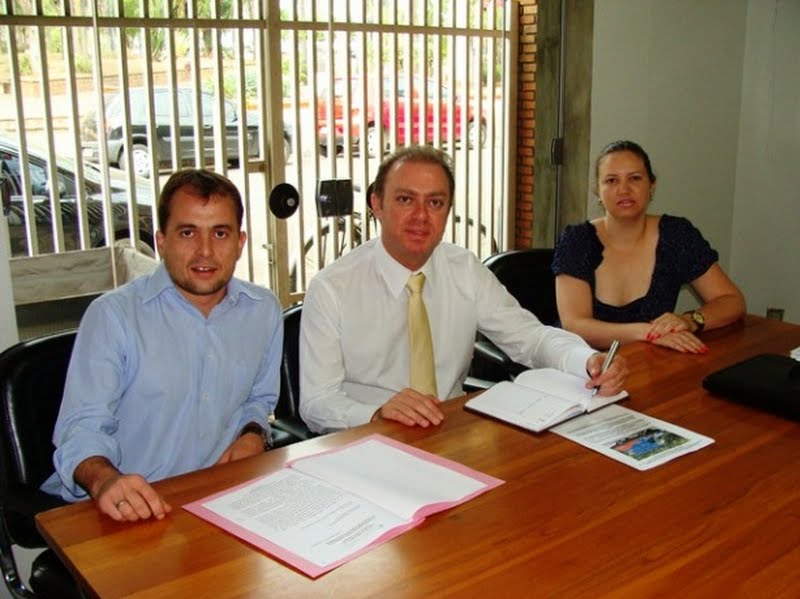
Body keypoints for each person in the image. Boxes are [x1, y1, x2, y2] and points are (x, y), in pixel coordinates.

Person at [299, 145, 627, 434]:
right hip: (367, 441)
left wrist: (586, 360)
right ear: (377, 204)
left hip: (449, 431)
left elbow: (531, 338)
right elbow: (316, 402)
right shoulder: (332, 288)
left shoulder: (464, 269)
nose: (420, 216)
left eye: (435, 202)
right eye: (405, 200)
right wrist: (375, 412)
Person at [41, 169, 283, 522]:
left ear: (240, 243)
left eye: (220, 233)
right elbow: (82, 429)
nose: (205, 251)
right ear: (161, 241)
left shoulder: (263, 310)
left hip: (222, 499)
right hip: (133, 507)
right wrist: (106, 480)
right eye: (187, 232)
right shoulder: (114, 316)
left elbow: (258, 401)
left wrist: (253, 433)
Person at [552, 140, 746, 354]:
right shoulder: (577, 240)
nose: (624, 189)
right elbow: (575, 325)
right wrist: (648, 333)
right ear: (597, 190)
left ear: (652, 185)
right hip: (580, 364)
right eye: (611, 180)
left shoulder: (676, 236)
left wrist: (690, 320)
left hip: (648, 364)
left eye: (635, 178)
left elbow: (732, 301)